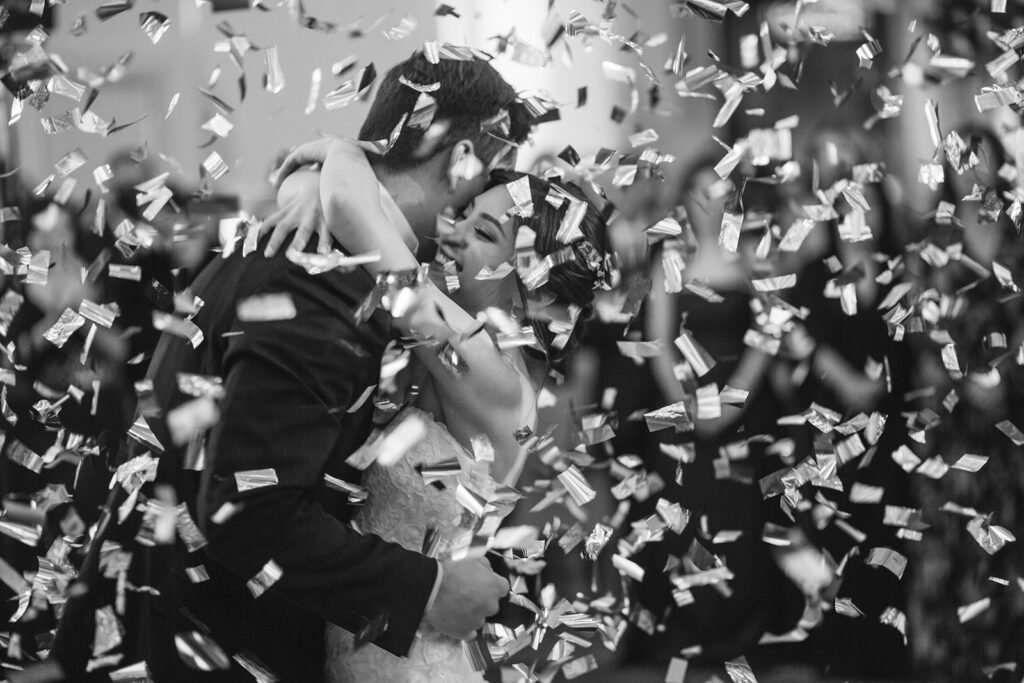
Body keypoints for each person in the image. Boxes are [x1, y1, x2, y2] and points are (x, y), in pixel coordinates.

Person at [49, 51, 531, 682]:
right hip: (197, 645)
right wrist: (428, 587)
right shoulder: (323, 275)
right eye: (481, 187)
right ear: (462, 155)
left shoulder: (331, 254)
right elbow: (253, 508)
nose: (461, 227)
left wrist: (338, 165)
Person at [266, 138, 610, 681]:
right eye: (464, 214)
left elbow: (353, 209)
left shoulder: (493, 377)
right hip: (367, 631)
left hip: (413, 660)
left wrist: (343, 148)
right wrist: (310, 185)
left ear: (539, 293)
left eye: (483, 234)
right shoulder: (451, 344)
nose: (451, 232)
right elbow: (356, 211)